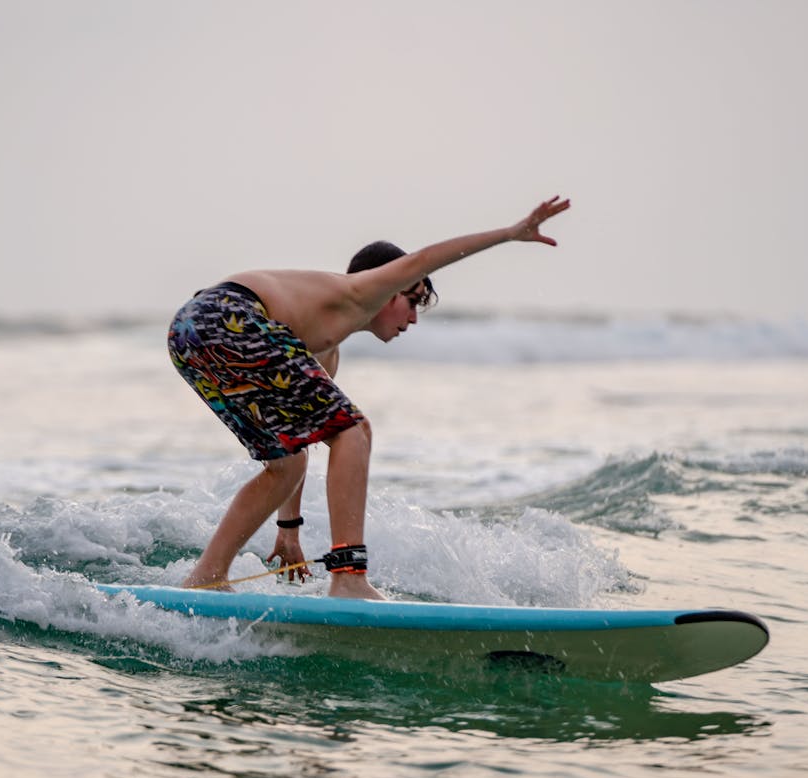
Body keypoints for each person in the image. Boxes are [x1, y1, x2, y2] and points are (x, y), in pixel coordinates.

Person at [168, 195, 571, 598]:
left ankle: (208, 576)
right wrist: (510, 233)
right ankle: (348, 577)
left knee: (288, 463)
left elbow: (298, 442)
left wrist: (289, 531)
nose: (413, 318)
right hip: (230, 317)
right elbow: (427, 257)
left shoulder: (320, 346)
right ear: (390, 286)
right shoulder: (360, 291)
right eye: (411, 301)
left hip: (189, 331)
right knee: (355, 429)